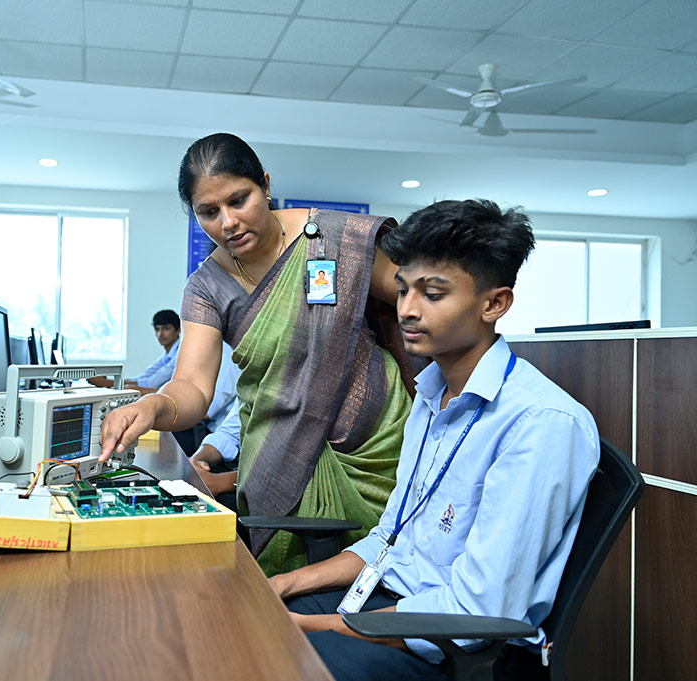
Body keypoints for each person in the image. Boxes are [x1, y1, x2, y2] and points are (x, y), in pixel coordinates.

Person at [271, 199, 599, 681]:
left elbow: (475, 611)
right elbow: (389, 539)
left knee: (267, 655)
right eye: (403, 289)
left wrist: (312, 626)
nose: (407, 309)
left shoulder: (539, 423)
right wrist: (282, 585)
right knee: (244, 620)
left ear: (494, 304)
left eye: (433, 294)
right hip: (386, 601)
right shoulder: (430, 395)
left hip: (450, 647)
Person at [100, 132, 425, 576]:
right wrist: (153, 405)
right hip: (283, 455)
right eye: (208, 212)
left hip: (383, 449)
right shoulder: (207, 287)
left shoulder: (335, 239)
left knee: (399, 575)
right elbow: (192, 384)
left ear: (266, 185)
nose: (228, 223)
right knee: (281, 595)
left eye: (239, 200)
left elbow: (419, 306)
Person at [89, 309, 181, 395]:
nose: (160, 334)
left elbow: (152, 383)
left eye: (166, 329)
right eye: (157, 329)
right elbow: (143, 377)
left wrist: (106, 382)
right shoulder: (167, 355)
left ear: (178, 330)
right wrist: (112, 382)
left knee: (129, 390)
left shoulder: (180, 354)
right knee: (127, 388)